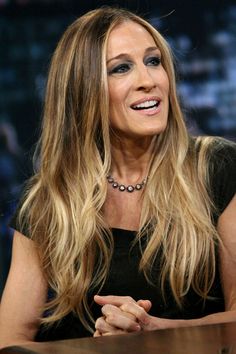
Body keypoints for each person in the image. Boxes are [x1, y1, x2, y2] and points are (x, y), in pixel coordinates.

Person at [0, 6, 236, 347]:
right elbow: (11, 340)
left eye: (154, 61)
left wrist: (154, 331)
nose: (148, 81)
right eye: (121, 68)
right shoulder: (50, 202)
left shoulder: (218, 167)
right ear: (83, 90)